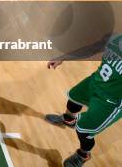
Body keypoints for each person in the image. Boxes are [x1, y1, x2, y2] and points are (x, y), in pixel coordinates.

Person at [45, 33, 121, 167]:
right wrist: (64, 57)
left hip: (111, 101)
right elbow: (93, 48)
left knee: (84, 131)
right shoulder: (116, 37)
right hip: (96, 81)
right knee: (74, 100)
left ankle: (83, 155)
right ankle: (68, 120)